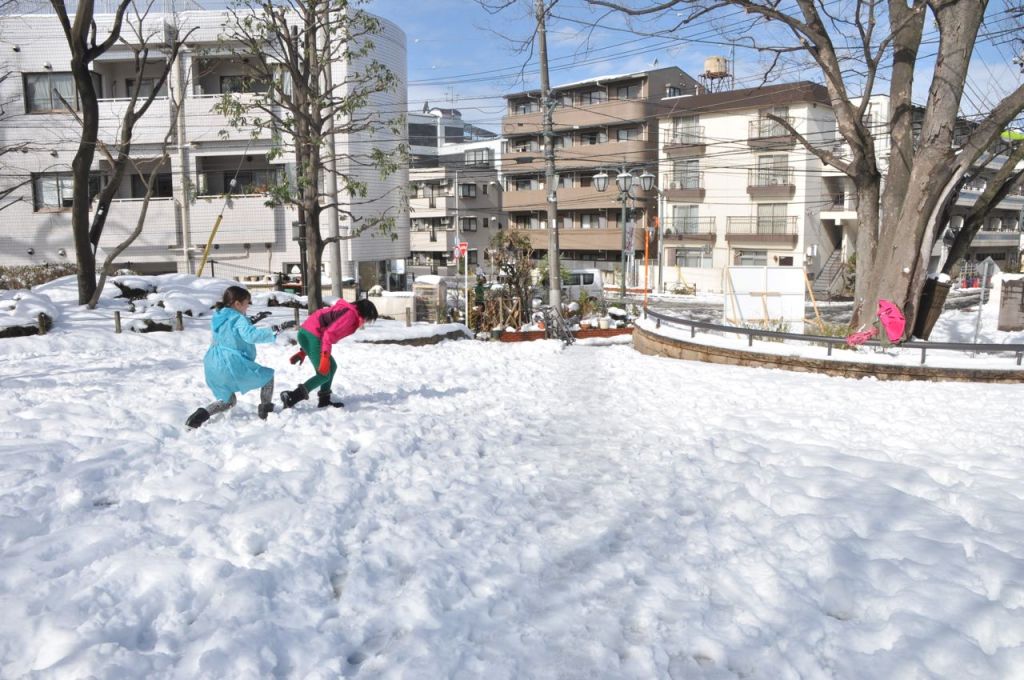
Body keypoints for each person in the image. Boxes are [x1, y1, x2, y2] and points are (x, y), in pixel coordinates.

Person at [186, 285, 278, 429]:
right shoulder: (239, 319)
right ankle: (265, 411)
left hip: (212, 363)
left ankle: (200, 416)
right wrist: (275, 330)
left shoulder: (219, 315)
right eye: (247, 303)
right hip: (230, 363)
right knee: (267, 377)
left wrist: (254, 319)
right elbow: (250, 335)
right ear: (237, 303)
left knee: (227, 401)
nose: (248, 307)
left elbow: (232, 328)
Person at [280, 297, 378, 409]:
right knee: (324, 373)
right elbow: (328, 334)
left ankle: (324, 400)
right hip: (311, 336)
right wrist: (325, 357)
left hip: (310, 335)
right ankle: (291, 397)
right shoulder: (350, 316)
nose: (366, 322)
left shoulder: (351, 313)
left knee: (332, 367)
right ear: (365, 313)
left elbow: (321, 327)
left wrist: (304, 352)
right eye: (368, 319)